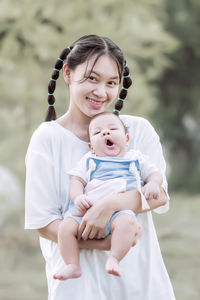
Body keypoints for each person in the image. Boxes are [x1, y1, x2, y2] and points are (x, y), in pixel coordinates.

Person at [25, 35, 176, 299]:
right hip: (78, 289)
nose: (101, 92)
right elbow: (44, 223)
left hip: (142, 284)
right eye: (92, 79)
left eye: (111, 83)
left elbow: (159, 195)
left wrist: (110, 206)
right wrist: (107, 242)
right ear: (68, 74)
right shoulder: (47, 139)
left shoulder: (136, 131)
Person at [54, 112, 163, 280]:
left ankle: (114, 258)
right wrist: (77, 197)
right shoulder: (89, 160)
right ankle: (72, 264)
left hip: (119, 213)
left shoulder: (135, 158)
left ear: (127, 139)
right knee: (65, 228)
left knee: (127, 224)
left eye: (112, 129)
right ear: (91, 147)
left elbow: (154, 173)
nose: (105, 133)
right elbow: (76, 181)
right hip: (85, 213)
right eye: (97, 132)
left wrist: (153, 184)